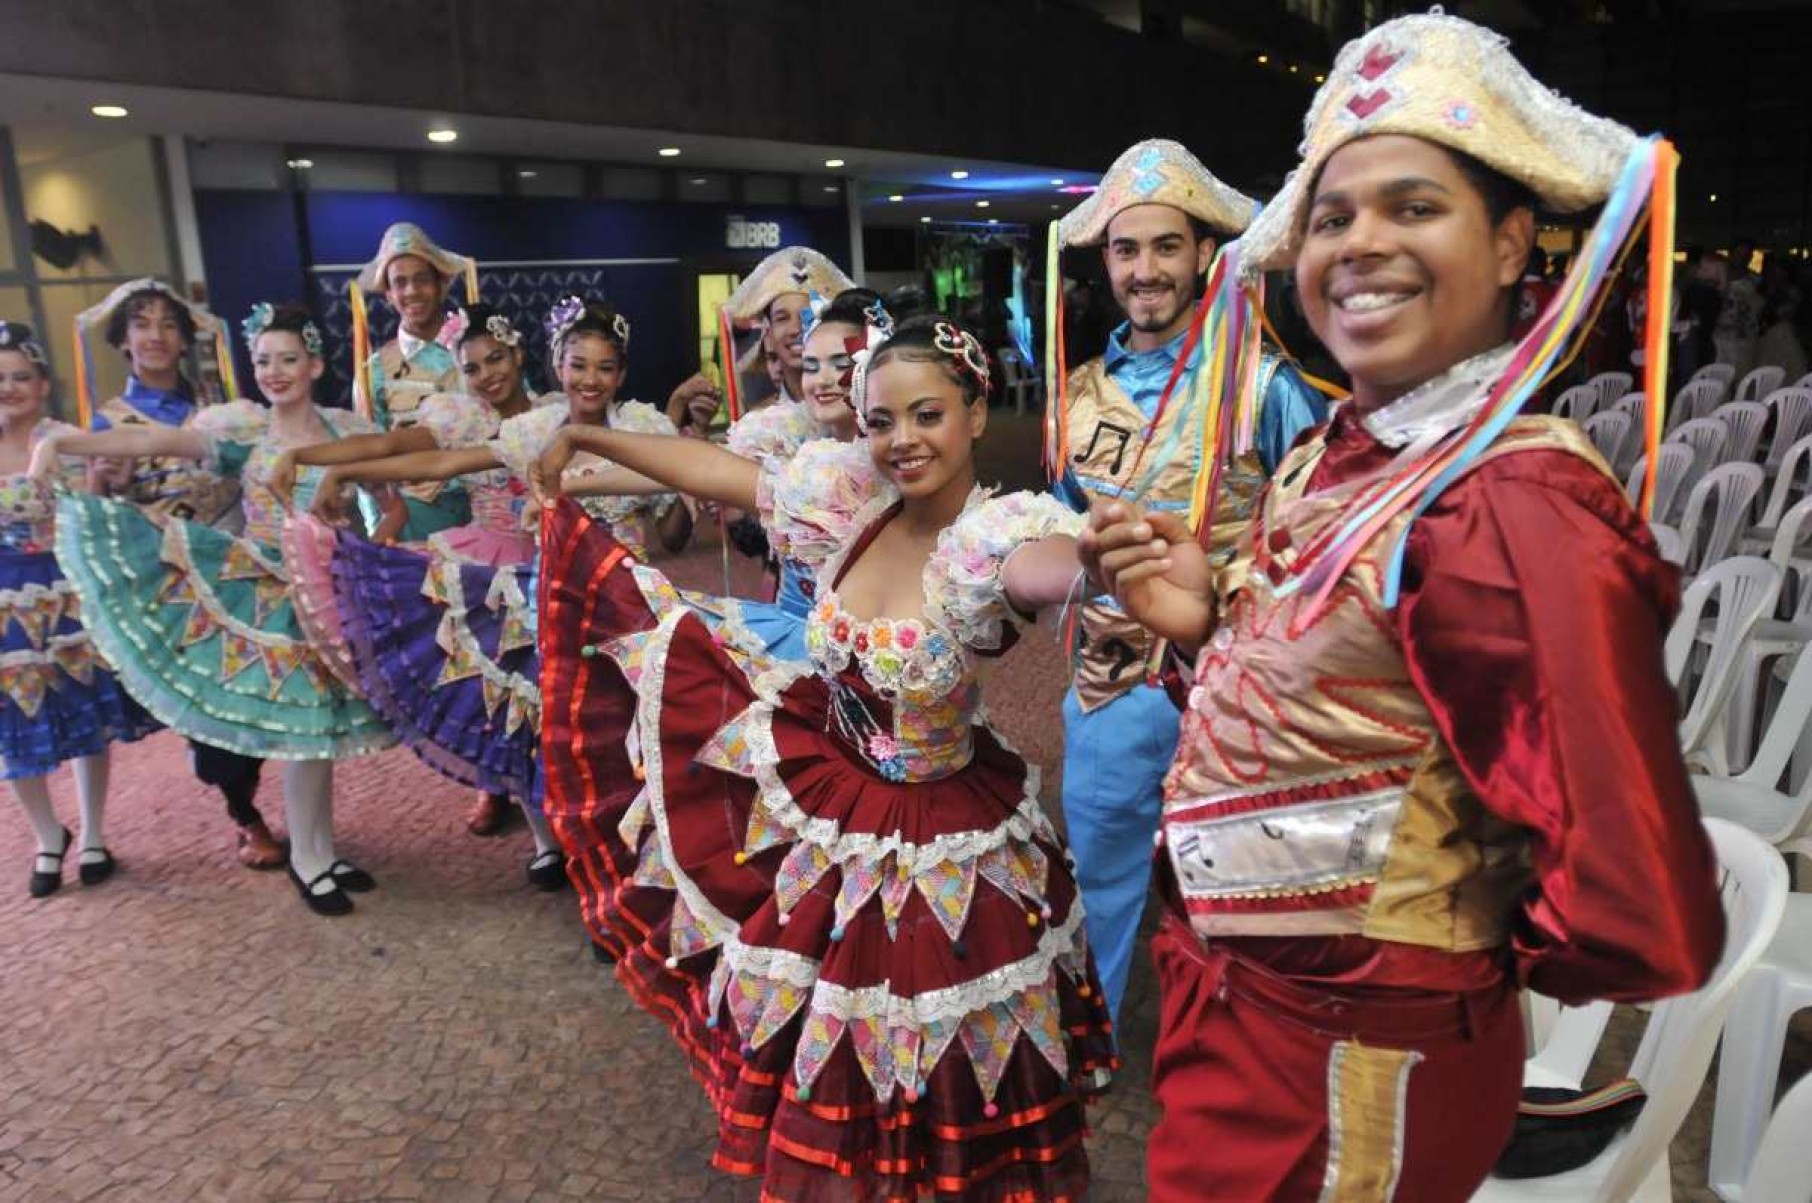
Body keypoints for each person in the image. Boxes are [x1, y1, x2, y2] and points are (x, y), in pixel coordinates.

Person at [1083, 13, 1725, 1198]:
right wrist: (1207, 623)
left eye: (1415, 208)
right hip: (1251, 1016)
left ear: (1515, 239)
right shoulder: (1346, 451)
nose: (1361, 244)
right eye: (1333, 218)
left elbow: (1630, 893)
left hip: (1351, 1057)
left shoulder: (1512, 497)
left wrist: (1428, 964)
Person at [534, 315, 1114, 1200]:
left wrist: (1102, 567)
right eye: (881, 420)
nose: (902, 441)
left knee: (938, 1044)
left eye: (927, 415)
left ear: (974, 410)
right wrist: (582, 434)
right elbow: (722, 475)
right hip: (830, 792)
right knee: (825, 1031)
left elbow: (1044, 568)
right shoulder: (851, 499)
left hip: (942, 835)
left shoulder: (993, 536)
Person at [1047, 137, 1327, 1021]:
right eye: (1127, 250)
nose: (1146, 269)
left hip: (1231, 689)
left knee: (1240, 895)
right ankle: (1089, 1056)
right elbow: (1054, 529)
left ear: (1205, 254)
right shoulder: (1076, 394)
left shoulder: (1266, 384)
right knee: (1099, 878)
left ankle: (1231, 1065)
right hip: (1109, 688)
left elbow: (1316, 543)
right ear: (1107, 262)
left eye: (1167, 246)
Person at [283, 298, 689, 887]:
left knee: (638, 740)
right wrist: (335, 469)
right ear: (557, 366)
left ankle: (651, 870)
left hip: (632, 607)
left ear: (621, 375)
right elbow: (444, 462)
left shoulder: (644, 430)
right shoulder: (533, 434)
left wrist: (679, 495)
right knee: (572, 743)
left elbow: (674, 537)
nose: (590, 379)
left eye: (604, 368)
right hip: (560, 608)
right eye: (578, 365)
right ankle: (599, 875)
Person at [36, 303, 395, 916]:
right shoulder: (244, 432)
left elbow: (389, 502)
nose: (274, 372)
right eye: (263, 361)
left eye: (287, 359)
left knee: (322, 731)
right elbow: (154, 439)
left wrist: (372, 542)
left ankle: (322, 850)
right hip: (265, 594)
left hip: (332, 587)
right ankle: (309, 862)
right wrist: (66, 440)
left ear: (315, 364)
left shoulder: (343, 430)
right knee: (301, 733)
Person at [274, 303, 541, 841]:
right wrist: (316, 458)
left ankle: (563, 826)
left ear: (518, 353)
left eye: (496, 359)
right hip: (491, 570)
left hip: (552, 564)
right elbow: (394, 446)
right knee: (505, 696)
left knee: (554, 697)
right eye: (471, 368)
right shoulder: (464, 419)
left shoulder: (555, 414)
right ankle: (542, 839)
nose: (487, 375)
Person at [71, 279, 286, 870]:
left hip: (235, 569)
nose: (156, 336)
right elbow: (95, 510)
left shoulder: (221, 406)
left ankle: (247, 793)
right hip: (165, 582)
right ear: (123, 340)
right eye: (142, 324)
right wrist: (102, 481)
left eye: (168, 324)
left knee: (257, 695)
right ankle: (245, 814)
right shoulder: (110, 419)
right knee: (208, 711)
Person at [545, 288, 883, 661]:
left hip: (876, 638)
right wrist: (567, 485)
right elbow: (692, 469)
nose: (822, 380)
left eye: (840, 363)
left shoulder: (892, 456)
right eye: (812, 366)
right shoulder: (785, 431)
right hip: (796, 629)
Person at [0, 321, 157, 896]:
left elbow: (93, 509)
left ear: (43, 384)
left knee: (84, 715)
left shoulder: (63, 437)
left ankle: (92, 833)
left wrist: (104, 480)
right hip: (2, 601)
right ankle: (47, 835)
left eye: (21, 376)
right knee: (13, 725)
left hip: (68, 591)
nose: (9, 386)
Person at [348, 222, 481, 542]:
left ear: (441, 283)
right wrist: (378, 533)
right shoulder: (374, 372)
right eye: (400, 283)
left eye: (421, 279)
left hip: (486, 511)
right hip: (416, 522)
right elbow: (368, 463)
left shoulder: (481, 350)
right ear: (389, 295)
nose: (411, 292)